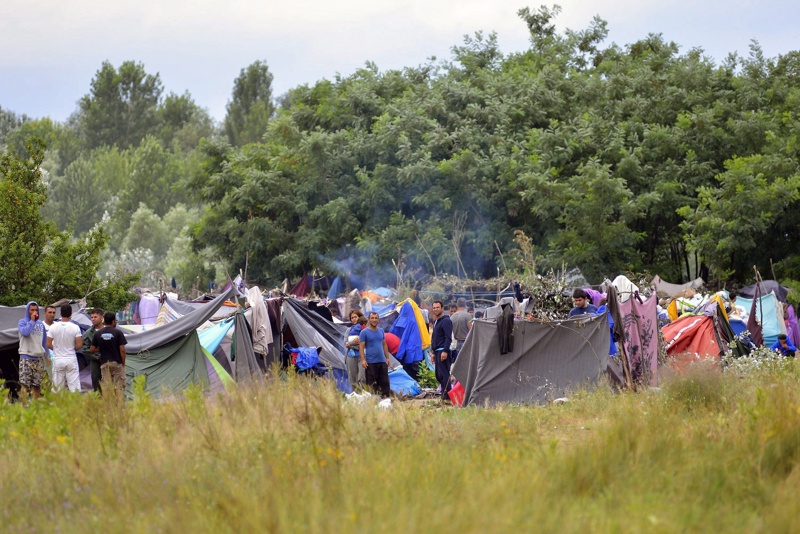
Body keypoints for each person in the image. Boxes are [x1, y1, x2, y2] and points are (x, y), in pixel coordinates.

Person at [90, 312, 128, 399]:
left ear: (104, 320)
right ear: (113, 321)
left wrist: (102, 348)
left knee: (106, 387)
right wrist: (123, 363)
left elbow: (92, 349)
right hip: (116, 363)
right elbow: (122, 349)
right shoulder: (118, 333)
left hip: (104, 364)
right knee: (119, 386)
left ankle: (107, 408)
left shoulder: (97, 333)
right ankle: (118, 408)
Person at [47, 304, 83, 393]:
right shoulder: (75, 327)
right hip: (71, 358)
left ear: (60, 313)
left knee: (57, 388)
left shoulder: (53, 327)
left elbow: (48, 344)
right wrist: (72, 348)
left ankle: (57, 405)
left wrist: (56, 349)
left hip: (58, 359)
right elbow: (79, 345)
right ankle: (75, 405)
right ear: (71, 313)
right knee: (74, 388)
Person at [17, 302, 48, 402]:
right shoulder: (22, 322)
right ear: (28, 311)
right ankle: (22, 409)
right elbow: (25, 332)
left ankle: (36, 409)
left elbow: (44, 342)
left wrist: (47, 357)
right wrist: (32, 321)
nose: (34, 312)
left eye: (36, 310)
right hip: (26, 357)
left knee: (37, 386)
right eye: (32, 310)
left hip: (38, 359)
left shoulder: (41, 325)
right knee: (25, 386)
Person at [358, 312, 392, 398]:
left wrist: (387, 358)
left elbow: (384, 344)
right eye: (372, 318)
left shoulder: (381, 330)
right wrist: (363, 360)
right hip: (371, 363)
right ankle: (373, 403)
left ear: (378, 320)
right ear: (369, 320)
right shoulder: (364, 332)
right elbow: (361, 347)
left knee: (385, 383)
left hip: (382, 361)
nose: (374, 320)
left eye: (376, 318)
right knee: (372, 385)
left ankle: (386, 401)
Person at [430, 300, 453, 400]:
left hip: (443, 351)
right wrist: (434, 353)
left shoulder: (446, 321)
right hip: (437, 351)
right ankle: (445, 395)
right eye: (434, 307)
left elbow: (448, 337)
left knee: (444, 375)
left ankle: (448, 397)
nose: (435, 309)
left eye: (437, 307)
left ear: (442, 308)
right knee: (439, 375)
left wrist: (445, 351)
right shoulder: (436, 322)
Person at [82, 308, 104, 392]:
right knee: (96, 381)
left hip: (108, 360)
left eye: (95, 317)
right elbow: (85, 349)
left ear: (101, 318)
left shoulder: (109, 330)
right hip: (95, 361)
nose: (93, 319)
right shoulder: (88, 333)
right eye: (91, 317)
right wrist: (97, 357)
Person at [345, 311, 366, 389]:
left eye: (355, 317)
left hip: (362, 357)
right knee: (353, 379)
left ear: (359, 317)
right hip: (351, 356)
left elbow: (365, 344)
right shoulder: (348, 330)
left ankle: (365, 394)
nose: (354, 319)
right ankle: (356, 396)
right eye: (352, 318)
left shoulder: (364, 329)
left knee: (363, 378)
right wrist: (355, 343)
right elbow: (346, 343)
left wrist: (352, 344)